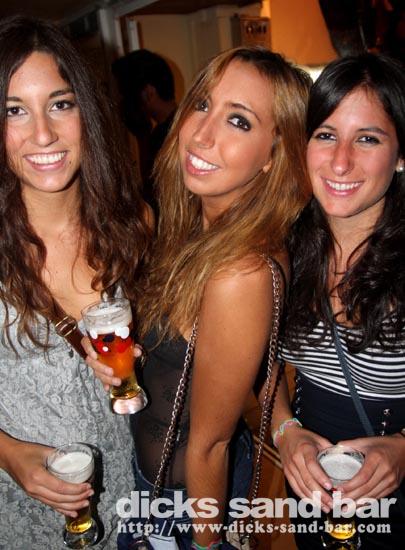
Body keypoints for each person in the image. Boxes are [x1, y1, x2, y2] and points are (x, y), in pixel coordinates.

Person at [86, 46, 311, 548]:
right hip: (153, 485)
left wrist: (205, 544)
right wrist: (286, 426)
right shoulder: (197, 228)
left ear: (274, 154)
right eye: (203, 104)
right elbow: (260, 359)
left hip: (186, 508)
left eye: (239, 121)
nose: (202, 134)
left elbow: (211, 445)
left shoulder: (240, 271)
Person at [0, 15, 150, 550]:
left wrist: (143, 358)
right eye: (14, 110)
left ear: (87, 110)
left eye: (60, 104)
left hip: (133, 501)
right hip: (23, 515)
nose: (43, 134)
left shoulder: (133, 225)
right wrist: (8, 454)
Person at [272, 53, 405, 549]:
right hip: (312, 488)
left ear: (401, 155)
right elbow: (258, 368)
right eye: (326, 135)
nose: (341, 161)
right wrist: (285, 430)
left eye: (367, 139)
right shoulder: (281, 247)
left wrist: (403, 449)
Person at [112, 49, 178, 213]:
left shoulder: (165, 137)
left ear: (148, 93)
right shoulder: (179, 125)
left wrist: (143, 138)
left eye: (126, 95)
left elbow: (156, 198)